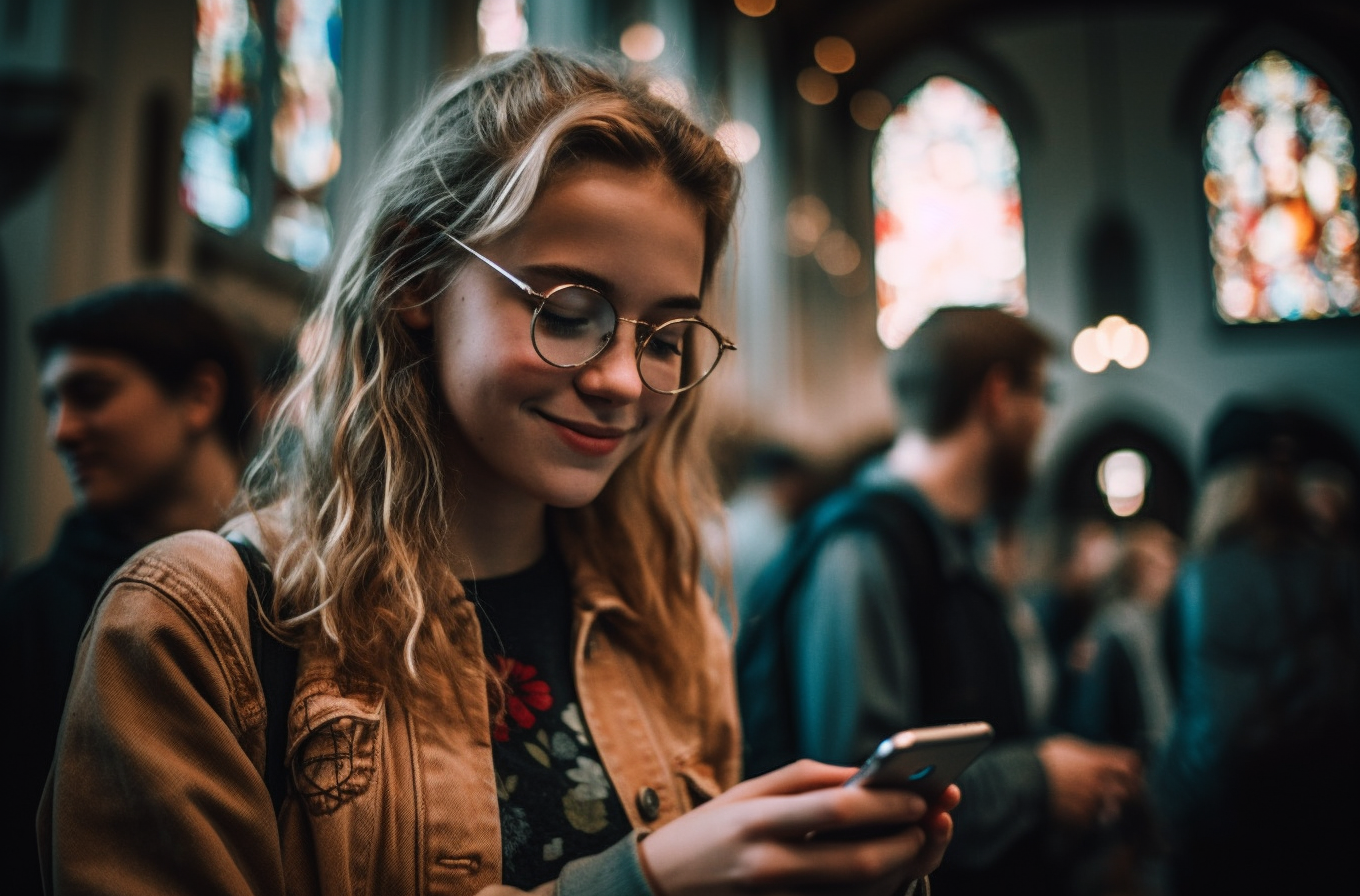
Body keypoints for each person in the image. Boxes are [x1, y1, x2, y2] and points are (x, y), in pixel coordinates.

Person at [39, 49, 956, 896]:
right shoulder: (193, 626)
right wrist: (645, 882)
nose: (622, 381)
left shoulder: (663, 615)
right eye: (567, 309)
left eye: (666, 335)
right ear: (413, 278)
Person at [737, 306, 1140, 896]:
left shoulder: (953, 541)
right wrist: (1040, 779)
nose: (1046, 422)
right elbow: (855, 789)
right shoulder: (863, 549)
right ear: (998, 395)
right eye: (1043, 395)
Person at [1, 280, 256, 896]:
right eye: (52, 403)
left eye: (90, 394)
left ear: (199, 396)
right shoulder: (23, 618)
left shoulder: (309, 584)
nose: (59, 431)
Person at [1150, 400, 1360, 896]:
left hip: (1221, 826)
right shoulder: (1340, 566)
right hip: (1329, 821)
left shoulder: (1194, 580)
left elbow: (1180, 697)